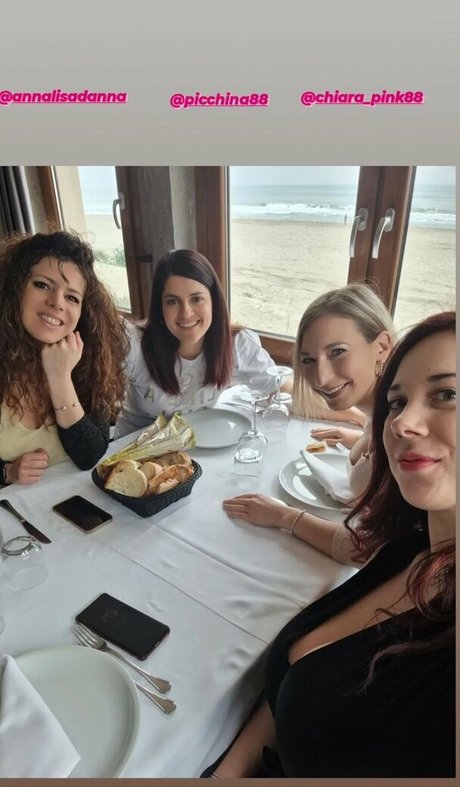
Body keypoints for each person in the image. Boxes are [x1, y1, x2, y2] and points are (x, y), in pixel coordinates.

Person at [204, 311, 455, 777]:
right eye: (397, 403)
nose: (404, 423)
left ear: (380, 347)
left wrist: (286, 517)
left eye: (447, 394)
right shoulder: (409, 547)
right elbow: (297, 682)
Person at [223, 283, 394, 564]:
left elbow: (363, 548)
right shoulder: (379, 413)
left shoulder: (399, 430)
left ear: (382, 347)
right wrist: (357, 438)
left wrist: (283, 515)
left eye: (337, 352)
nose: (321, 377)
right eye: (309, 360)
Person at [0, 231, 129, 485]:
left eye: (72, 297)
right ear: (15, 289)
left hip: (75, 501)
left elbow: (89, 455)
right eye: (42, 285)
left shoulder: (90, 361)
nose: (57, 303)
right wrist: (6, 472)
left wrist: (60, 378)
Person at [115, 249, 282, 438]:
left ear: (214, 301)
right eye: (173, 302)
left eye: (197, 299)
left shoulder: (236, 344)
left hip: (193, 446)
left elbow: (279, 386)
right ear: (160, 307)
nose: (186, 313)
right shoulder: (134, 344)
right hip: (131, 446)